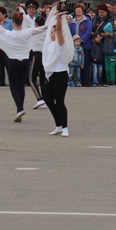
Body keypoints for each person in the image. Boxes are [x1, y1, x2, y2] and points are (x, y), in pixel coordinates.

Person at [0, 8, 49, 123]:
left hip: (13, 61)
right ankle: (19, 109)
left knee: (13, 86)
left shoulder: (9, 34)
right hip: (24, 61)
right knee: (21, 86)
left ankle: (20, 108)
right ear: (22, 22)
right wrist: (54, 20)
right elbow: (42, 28)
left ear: (12, 22)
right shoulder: (27, 32)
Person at [41, 9, 74, 137]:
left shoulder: (61, 44)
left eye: (52, 32)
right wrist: (52, 17)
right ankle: (58, 125)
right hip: (51, 74)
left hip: (60, 74)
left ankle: (65, 127)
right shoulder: (49, 45)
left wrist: (59, 19)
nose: (50, 34)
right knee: (48, 99)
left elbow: (59, 31)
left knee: (59, 101)